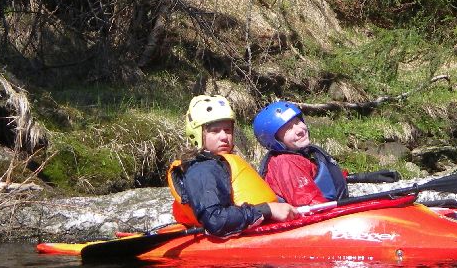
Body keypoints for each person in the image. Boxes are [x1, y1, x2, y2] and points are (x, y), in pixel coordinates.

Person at [167, 95, 299, 237]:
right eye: (215, 131)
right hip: (236, 236)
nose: (224, 137)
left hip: (257, 229)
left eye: (227, 130)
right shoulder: (202, 169)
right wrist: (267, 210)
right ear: (198, 134)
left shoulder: (222, 163)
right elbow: (215, 220)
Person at [252, 100, 400, 206]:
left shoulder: (300, 154)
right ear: (275, 140)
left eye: (298, 122)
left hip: (337, 199)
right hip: (325, 215)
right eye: (289, 128)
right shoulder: (286, 164)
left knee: (402, 188)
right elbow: (311, 205)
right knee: (404, 193)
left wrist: (365, 177)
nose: (299, 130)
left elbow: (325, 176)